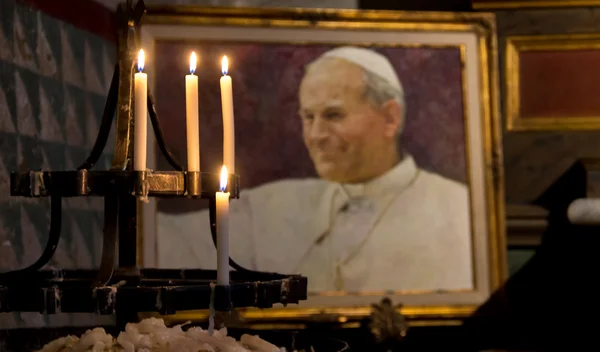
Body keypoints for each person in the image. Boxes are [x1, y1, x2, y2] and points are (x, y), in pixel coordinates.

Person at [158, 46, 473, 292]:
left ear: (390, 117)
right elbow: (172, 242)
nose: (317, 135)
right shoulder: (274, 206)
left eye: (334, 115)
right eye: (309, 117)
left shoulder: (459, 209)